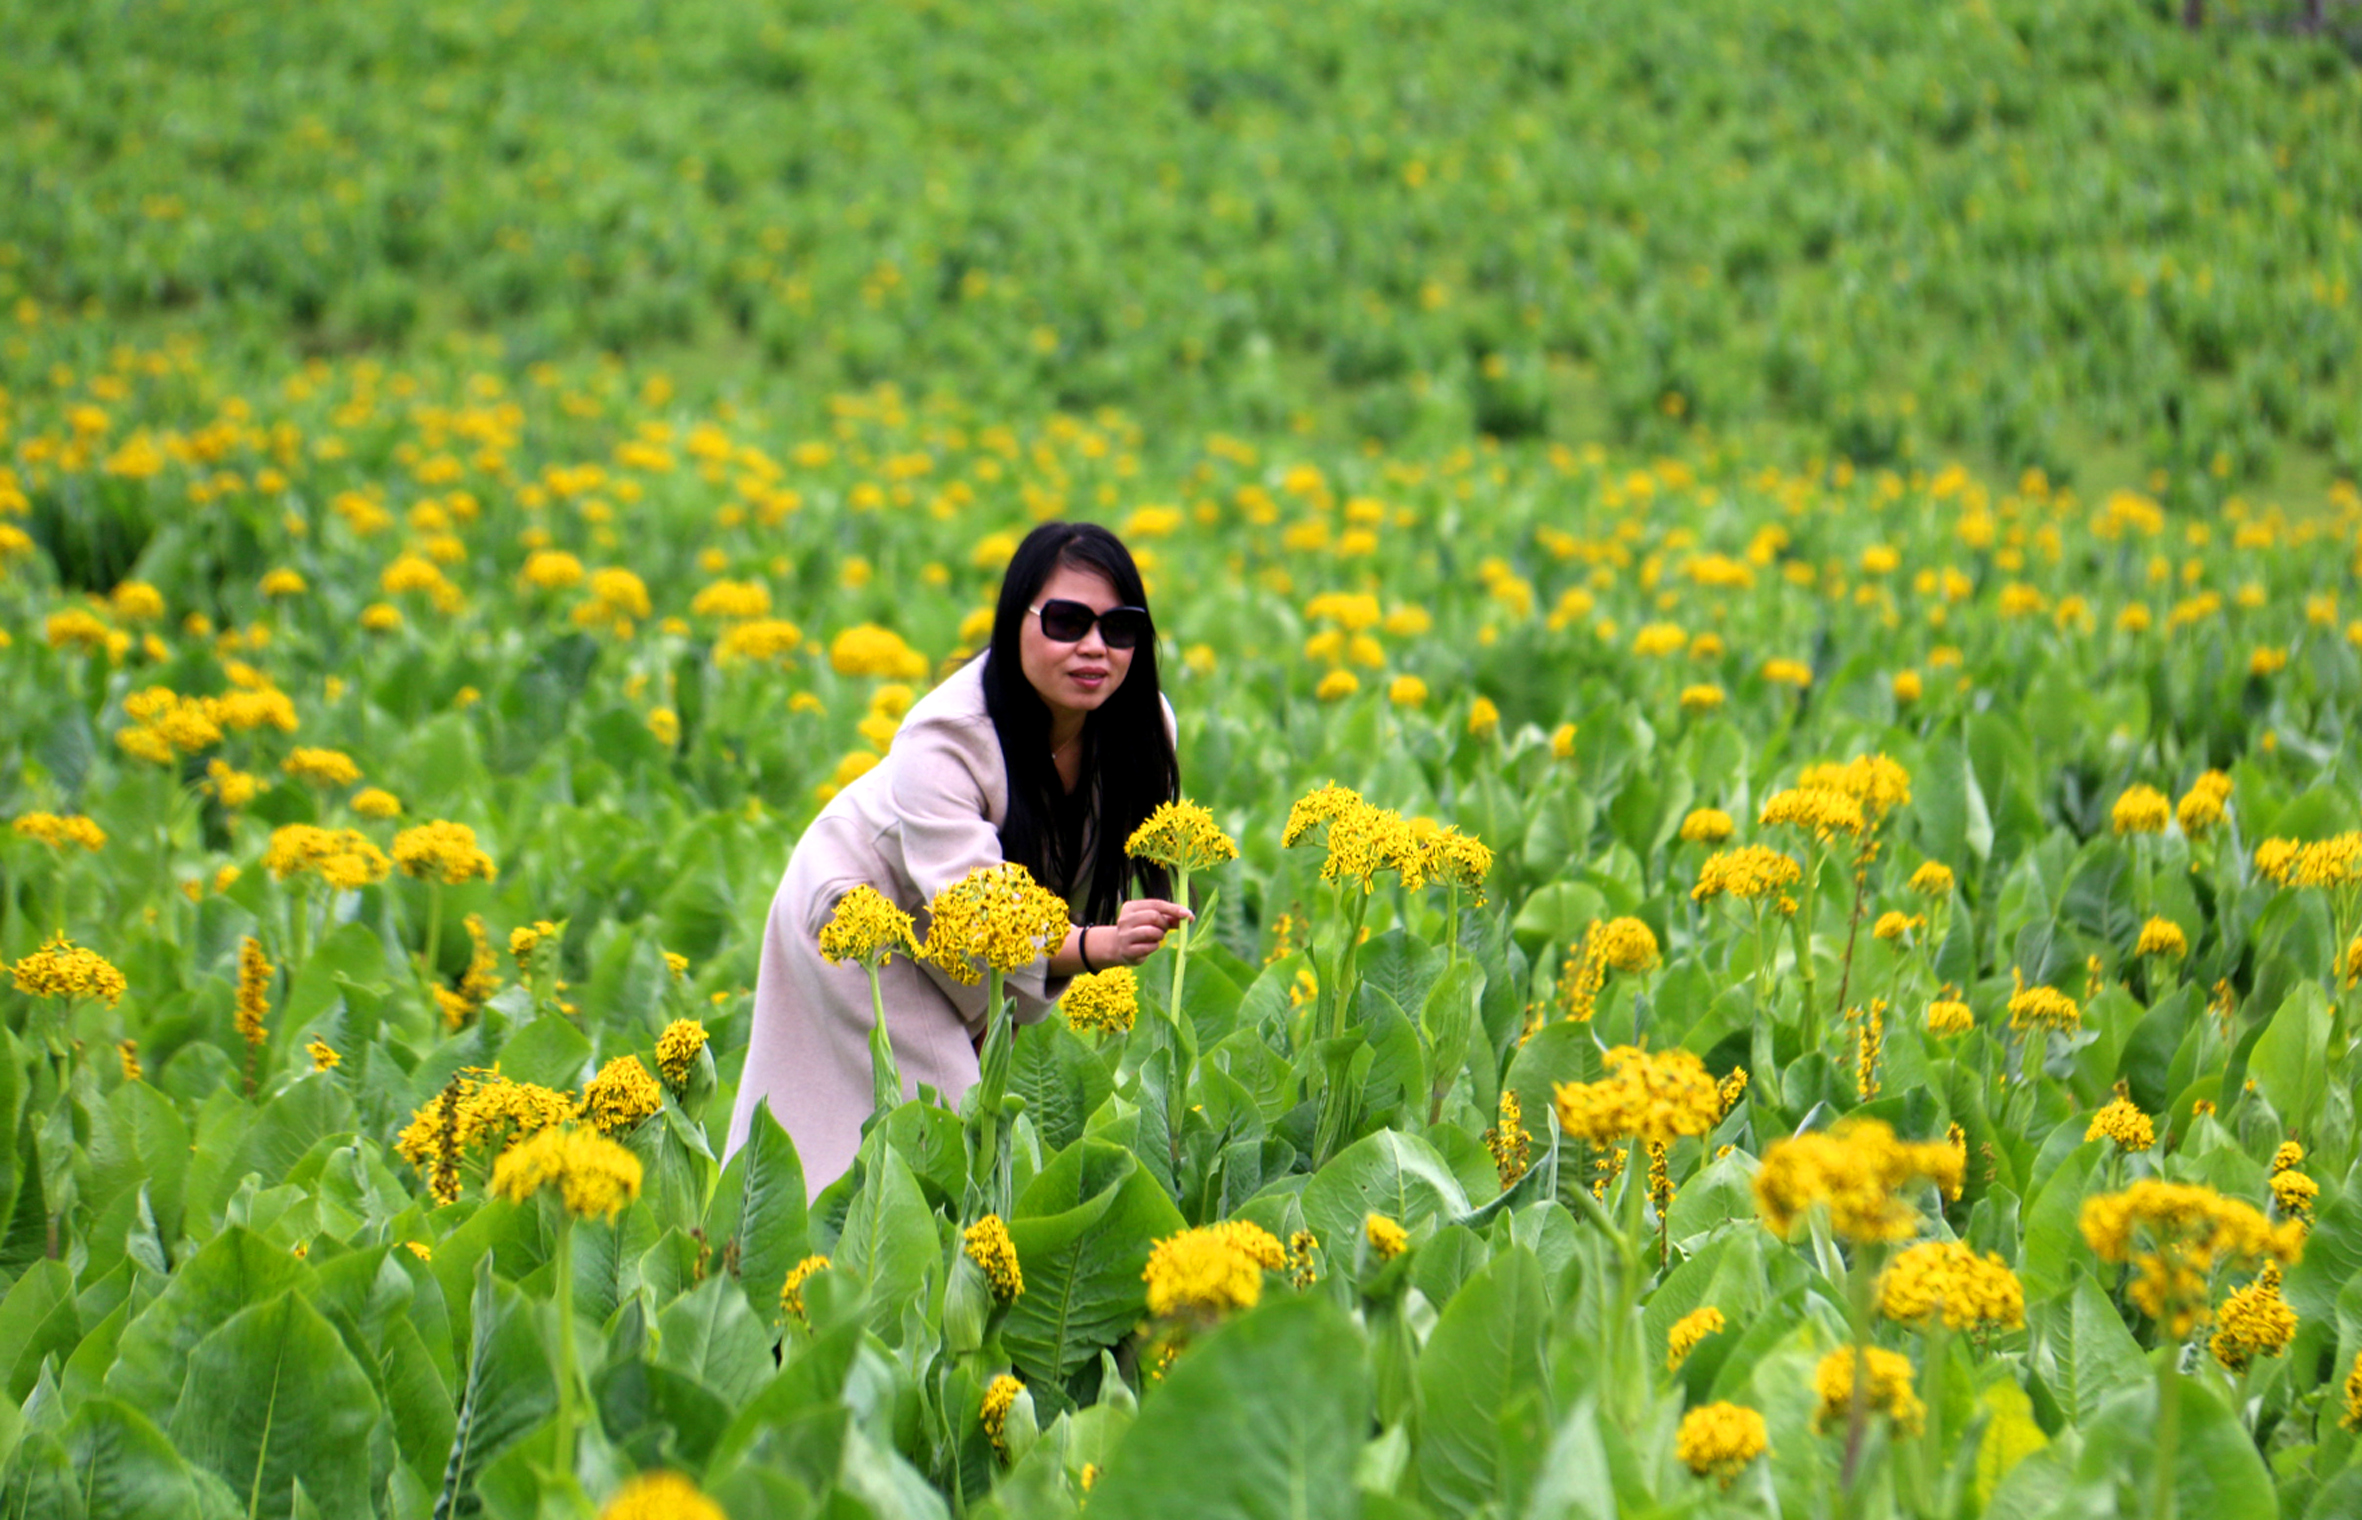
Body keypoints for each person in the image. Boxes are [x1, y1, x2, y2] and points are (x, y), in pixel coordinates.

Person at [726, 522, 1193, 1196]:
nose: (1094, 647)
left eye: (1119, 628)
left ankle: (829, 1278)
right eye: (1067, 621)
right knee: (949, 1129)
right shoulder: (944, 733)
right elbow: (978, 917)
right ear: (1015, 622)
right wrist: (1095, 946)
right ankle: (817, 1271)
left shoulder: (1144, 725)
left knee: (918, 1137)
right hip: (862, 909)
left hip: (963, 941)